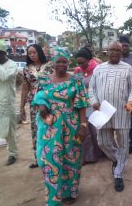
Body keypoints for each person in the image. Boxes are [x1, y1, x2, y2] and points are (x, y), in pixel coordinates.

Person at [32, 48, 89, 205]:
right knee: (49, 159)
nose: (62, 64)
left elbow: (82, 104)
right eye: (59, 61)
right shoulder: (43, 80)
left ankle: (71, 192)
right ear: (53, 62)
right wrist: (42, 105)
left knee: (72, 158)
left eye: (65, 61)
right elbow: (37, 97)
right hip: (50, 126)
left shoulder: (76, 81)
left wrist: (83, 125)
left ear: (68, 62)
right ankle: (54, 197)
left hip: (72, 125)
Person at [89, 41, 132, 192]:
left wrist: (131, 101)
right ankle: (118, 159)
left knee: (124, 142)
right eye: (112, 50)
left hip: (123, 112)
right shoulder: (99, 68)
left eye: (117, 50)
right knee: (102, 142)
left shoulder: (128, 68)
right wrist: (94, 101)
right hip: (103, 112)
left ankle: (118, 174)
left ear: (121, 52)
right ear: (107, 51)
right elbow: (91, 87)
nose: (114, 53)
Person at [20, 44, 53, 168]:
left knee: (50, 127)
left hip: (50, 103)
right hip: (34, 105)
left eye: (34, 52)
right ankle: (38, 158)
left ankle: (51, 156)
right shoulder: (27, 69)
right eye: (30, 53)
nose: (32, 55)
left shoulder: (50, 66)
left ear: (39, 52)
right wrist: (21, 107)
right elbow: (25, 88)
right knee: (36, 129)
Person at [74, 47, 103, 164]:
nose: (80, 65)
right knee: (83, 129)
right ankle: (87, 156)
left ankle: (101, 152)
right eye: (78, 62)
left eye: (82, 62)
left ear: (89, 60)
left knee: (96, 130)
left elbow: (101, 86)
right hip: (82, 103)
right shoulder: (77, 71)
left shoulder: (97, 69)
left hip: (94, 102)